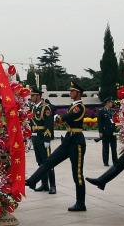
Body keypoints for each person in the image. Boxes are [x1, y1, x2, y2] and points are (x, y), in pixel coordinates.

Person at [25, 82, 87, 212]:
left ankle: (81, 203)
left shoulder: (79, 107)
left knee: (77, 174)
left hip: (77, 142)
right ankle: (32, 180)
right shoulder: (73, 106)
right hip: (68, 140)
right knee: (49, 161)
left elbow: (67, 117)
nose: (70, 93)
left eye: (72, 91)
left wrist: (57, 117)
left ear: (78, 93)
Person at [29, 89, 56, 194]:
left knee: (48, 163)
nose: (31, 97)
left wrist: (47, 139)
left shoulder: (46, 108)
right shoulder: (33, 108)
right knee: (40, 162)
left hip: (43, 137)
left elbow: (49, 124)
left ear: (38, 96)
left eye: (33, 95)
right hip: (35, 137)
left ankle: (52, 185)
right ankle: (44, 184)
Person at [96, 98, 118, 166]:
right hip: (106, 131)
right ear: (107, 103)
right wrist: (100, 132)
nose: (112, 104)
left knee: (114, 147)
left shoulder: (112, 111)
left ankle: (115, 161)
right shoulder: (101, 111)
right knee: (106, 147)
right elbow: (100, 122)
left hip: (113, 131)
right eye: (111, 102)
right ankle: (106, 161)